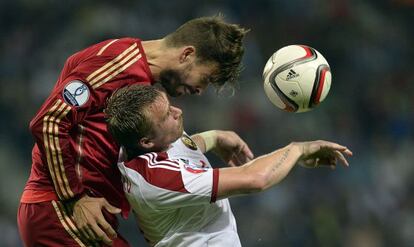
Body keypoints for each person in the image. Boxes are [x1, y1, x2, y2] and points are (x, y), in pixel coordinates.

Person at [18, 16, 250, 246]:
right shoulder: (117, 63)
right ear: (187, 54)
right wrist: (75, 197)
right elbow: (49, 121)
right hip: (61, 210)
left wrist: (213, 137)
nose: (201, 90)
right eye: (206, 78)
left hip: (85, 212)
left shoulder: (137, 79)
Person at [104, 85, 353, 247]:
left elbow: (185, 145)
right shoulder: (156, 178)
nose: (178, 112)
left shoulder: (148, 142)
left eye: (171, 106)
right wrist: (298, 149)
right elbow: (257, 179)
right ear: (146, 141)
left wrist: (215, 137)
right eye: (167, 115)